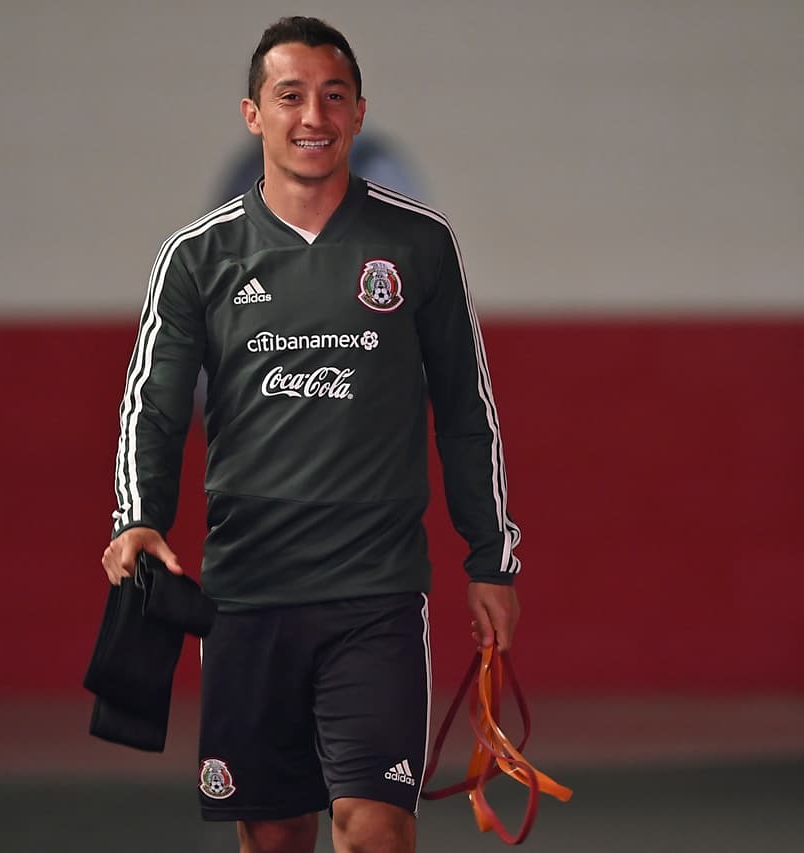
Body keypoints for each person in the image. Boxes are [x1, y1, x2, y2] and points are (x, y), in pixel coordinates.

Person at [101, 16, 521, 853]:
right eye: (289, 96)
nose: (313, 116)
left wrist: (490, 557)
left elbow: (466, 409)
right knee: (277, 834)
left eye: (333, 97)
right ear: (253, 113)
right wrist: (139, 516)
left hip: (378, 593)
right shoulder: (198, 256)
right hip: (248, 595)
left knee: (372, 828)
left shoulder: (417, 245)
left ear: (359, 114)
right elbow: (156, 400)